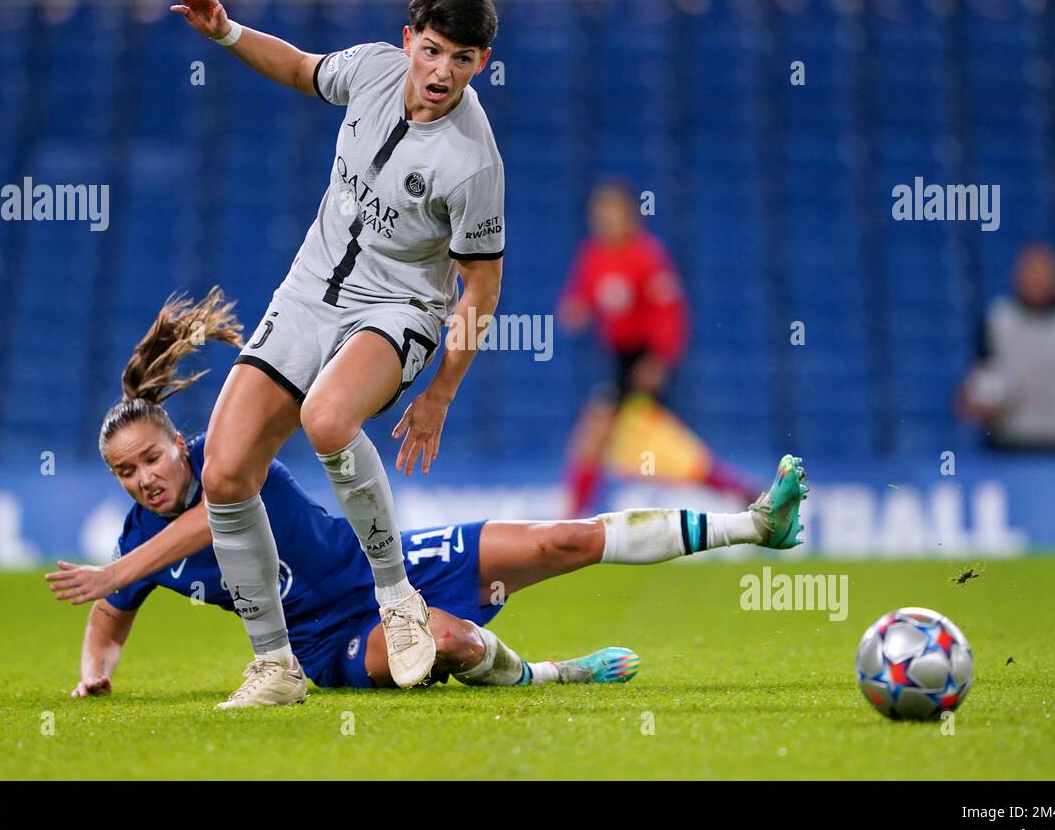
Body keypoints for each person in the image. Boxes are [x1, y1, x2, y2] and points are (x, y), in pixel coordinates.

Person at [46, 291, 809, 701]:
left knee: (559, 540)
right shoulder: (138, 543)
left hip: (393, 572)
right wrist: (97, 670)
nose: (144, 478)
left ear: (179, 444)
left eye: (150, 458)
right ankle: (555, 674)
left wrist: (117, 572)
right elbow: (111, 620)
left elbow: (213, 523)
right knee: (450, 644)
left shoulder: (225, 458)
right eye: (126, 473)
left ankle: (755, 523)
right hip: (326, 641)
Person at [167, 0, 505, 702]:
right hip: (308, 293)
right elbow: (296, 67)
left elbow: (480, 286)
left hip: (401, 309)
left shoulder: (475, 163)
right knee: (224, 473)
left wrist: (442, 390)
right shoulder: (373, 68)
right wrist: (226, 31)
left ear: (481, 62)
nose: (444, 71)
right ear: (410, 41)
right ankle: (276, 667)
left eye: (464, 58)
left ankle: (398, 600)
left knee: (326, 419)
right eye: (435, 50)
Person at [559, 180, 755, 517]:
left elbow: (671, 313)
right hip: (618, 360)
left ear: (629, 215)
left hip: (643, 358)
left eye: (611, 212)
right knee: (660, 445)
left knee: (595, 437)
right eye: (599, 213)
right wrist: (575, 309)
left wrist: (659, 360)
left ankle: (569, 521)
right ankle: (740, 491)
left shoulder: (646, 255)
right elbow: (582, 295)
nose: (604, 220)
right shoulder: (594, 255)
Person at [957, 243, 1055, 451]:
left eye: (1043, 273)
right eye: (1030, 272)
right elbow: (980, 376)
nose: (1036, 280)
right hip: (1009, 447)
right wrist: (972, 401)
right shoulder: (998, 319)